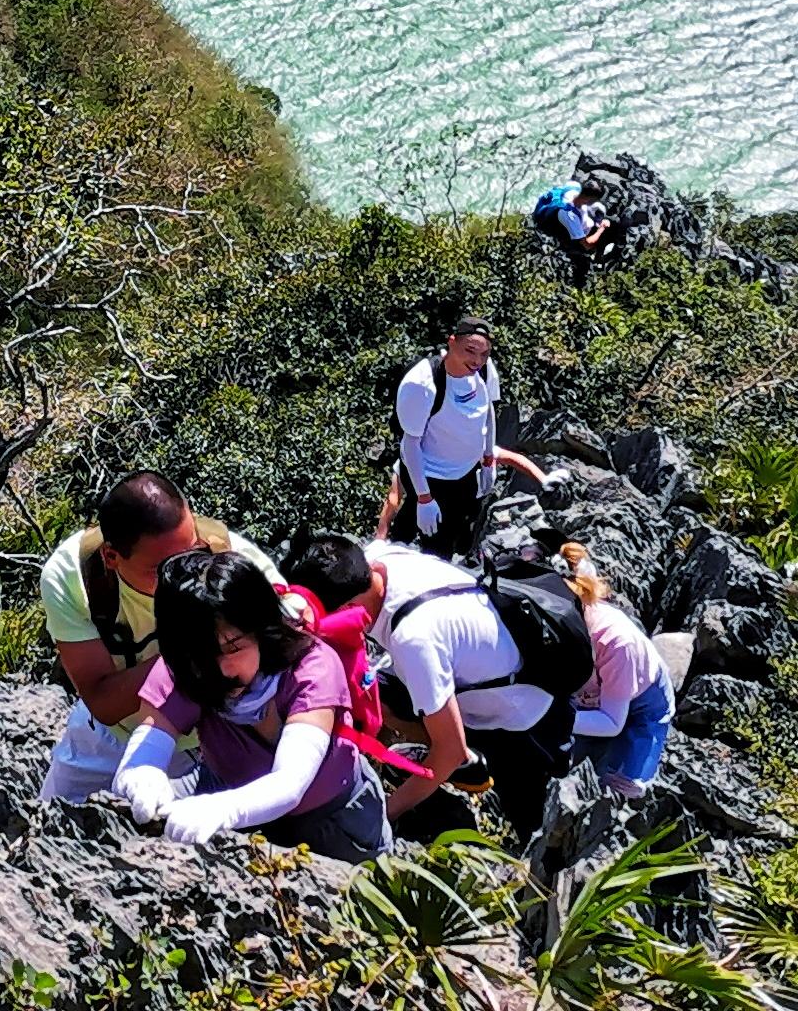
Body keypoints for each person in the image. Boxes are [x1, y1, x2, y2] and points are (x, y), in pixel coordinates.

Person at [106, 551, 389, 861]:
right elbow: (150, 741)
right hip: (225, 788)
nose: (221, 669)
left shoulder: (312, 666)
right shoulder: (186, 667)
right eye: (202, 655)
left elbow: (290, 782)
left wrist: (224, 810)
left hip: (332, 818)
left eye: (234, 647)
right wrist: (142, 775)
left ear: (261, 628)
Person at [282, 531, 570, 835]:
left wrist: (384, 815)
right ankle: (451, 745)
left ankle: (474, 764)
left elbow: (450, 750)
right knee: (380, 692)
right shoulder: (382, 563)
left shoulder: (414, 639)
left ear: (342, 611)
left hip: (520, 722)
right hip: (481, 672)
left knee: (525, 822)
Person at [37, 471, 278, 803]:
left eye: (193, 550)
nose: (186, 571)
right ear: (112, 557)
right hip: (110, 738)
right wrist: (193, 651)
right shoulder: (75, 578)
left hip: (209, 742)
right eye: (163, 568)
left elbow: (291, 610)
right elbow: (103, 702)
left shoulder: (222, 551)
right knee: (52, 830)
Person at [386, 319, 545, 560]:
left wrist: (489, 460)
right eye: (470, 350)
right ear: (452, 342)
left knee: (449, 534)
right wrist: (424, 496)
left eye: (484, 353)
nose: (477, 360)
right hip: (430, 473)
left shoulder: (483, 369)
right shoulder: (423, 383)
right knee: (430, 539)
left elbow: (488, 411)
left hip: (465, 473)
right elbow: (410, 443)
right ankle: (396, 561)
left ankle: (405, 546)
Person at [556, 541, 673, 800]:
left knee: (623, 789)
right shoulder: (563, 625)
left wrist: (550, 719)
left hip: (642, 702)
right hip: (588, 695)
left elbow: (611, 722)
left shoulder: (617, 642)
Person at [530, 184, 616, 285]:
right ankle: (579, 284)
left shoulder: (573, 189)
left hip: (562, 219)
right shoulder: (569, 215)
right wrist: (601, 230)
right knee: (583, 260)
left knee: (596, 223)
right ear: (587, 199)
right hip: (558, 229)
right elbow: (586, 244)